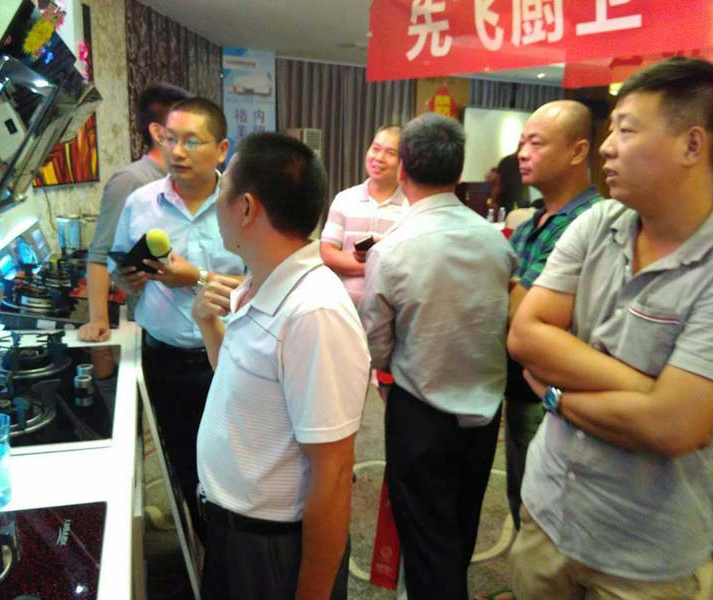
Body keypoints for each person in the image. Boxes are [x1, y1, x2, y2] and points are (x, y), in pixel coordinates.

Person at [508, 57, 713, 599]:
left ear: (692, 145)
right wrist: (648, 392)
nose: (606, 148)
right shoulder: (597, 223)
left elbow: (673, 429)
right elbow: (526, 335)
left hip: (645, 552)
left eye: (626, 131)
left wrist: (555, 394)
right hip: (548, 511)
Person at [193, 132, 370, 600]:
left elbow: (334, 473)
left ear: (247, 208)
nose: (214, 202)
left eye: (221, 189)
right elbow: (244, 390)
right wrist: (209, 325)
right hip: (233, 531)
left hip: (271, 548)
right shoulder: (257, 282)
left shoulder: (314, 312)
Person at [359, 113, 516, 600]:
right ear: (458, 170)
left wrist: (387, 367)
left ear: (402, 169)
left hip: (420, 411)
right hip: (485, 409)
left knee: (426, 537)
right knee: (462, 521)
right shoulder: (495, 240)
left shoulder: (392, 250)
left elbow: (377, 340)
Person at [476, 100, 602, 600]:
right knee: (525, 497)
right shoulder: (533, 223)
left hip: (556, 390)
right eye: (521, 143)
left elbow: (527, 311)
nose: (521, 154)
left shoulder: (589, 222)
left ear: (578, 150)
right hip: (521, 381)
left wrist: (504, 283)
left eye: (536, 143)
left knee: (551, 506)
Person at [109, 97, 244, 543]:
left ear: (221, 149)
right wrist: (129, 277)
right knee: (184, 462)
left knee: (236, 462)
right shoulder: (140, 203)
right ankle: (206, 545)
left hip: (230, 358)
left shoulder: (242, 205)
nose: (177, 152)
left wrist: (198, 277)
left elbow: (264, 283)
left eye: (191, 141)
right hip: (164, 360)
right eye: (170, 139)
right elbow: (119, 270)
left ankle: (236, 546)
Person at [79, 82, 191, 342]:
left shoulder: (189, 180)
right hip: (153, 328)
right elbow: (100, 255)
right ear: (158, 132)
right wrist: (98, 320)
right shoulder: (131, 181)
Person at [320, 124, 407, 306]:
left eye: (390, 153)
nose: (379, 158)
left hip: (390, 311)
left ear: (403, 161)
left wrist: (355, 264)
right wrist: (378, 266)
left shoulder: (410, 207)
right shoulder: (345, 199)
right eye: (375, 149)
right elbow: (327, 253)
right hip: (341, 307)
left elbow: (407, 264)